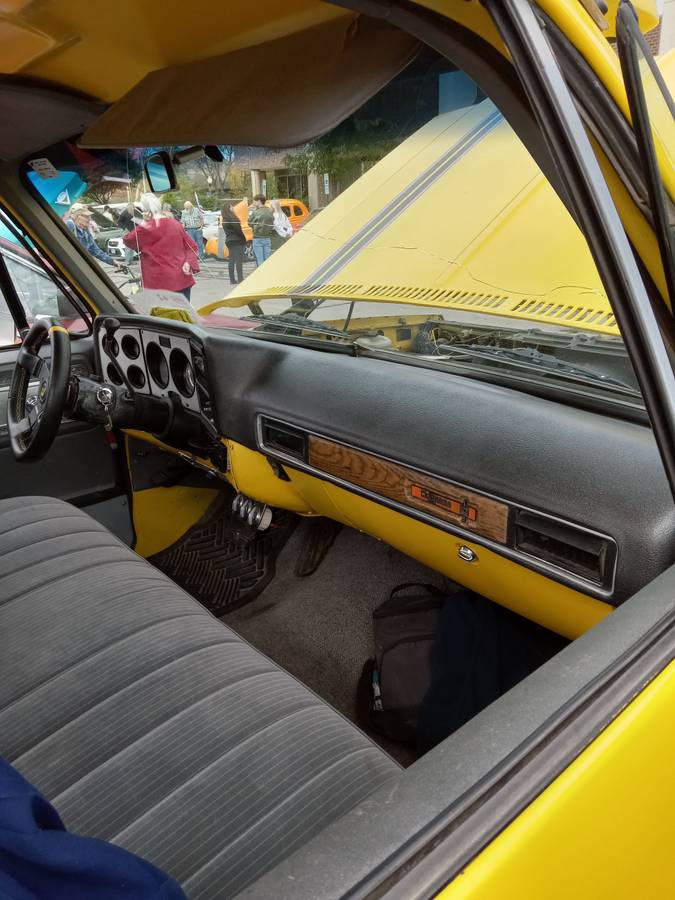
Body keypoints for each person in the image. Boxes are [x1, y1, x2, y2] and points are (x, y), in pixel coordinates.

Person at [123, 193, 200, 299]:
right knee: (184, 314)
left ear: (145, 211)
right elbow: (192, 247)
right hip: (182, 279)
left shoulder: (145, 228)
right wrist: (188, 262)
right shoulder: (175, 224)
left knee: (162, 315)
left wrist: (144, 223)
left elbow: (128, 241)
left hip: (159, 284)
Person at [221, 203, 246, 285]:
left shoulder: (224, 219)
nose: (233, 208)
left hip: (229, 240)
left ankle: (232, 279)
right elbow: (238, 230)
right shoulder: (232, 218)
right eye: (232, 206)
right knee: (239, 260)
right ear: (229, 208)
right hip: (237, 240)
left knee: (231, 260)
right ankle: (240, 278)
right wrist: (243, 238)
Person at [248, 194, 275, 266]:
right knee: (267, 260)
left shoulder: (256, 212)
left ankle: (261, 276)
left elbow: (249, 223)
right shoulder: (269, 211)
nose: (253, 203)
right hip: (267, 238)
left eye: (255, 201)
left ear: (259, 201)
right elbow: (272, 222)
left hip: (257, 238)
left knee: (260, 260)